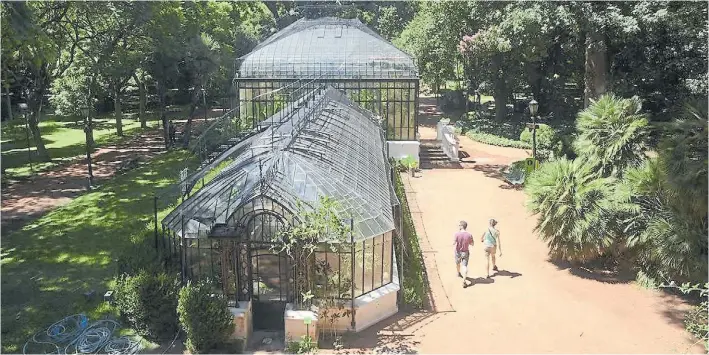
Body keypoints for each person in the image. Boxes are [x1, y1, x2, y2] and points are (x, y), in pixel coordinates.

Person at [453, 220, 474, 288]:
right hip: (465, 252)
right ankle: (464, 281)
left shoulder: (456, 234)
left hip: (458, 251)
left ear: (462, 226)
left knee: (457, 263)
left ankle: (458, 273)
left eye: (459, 225)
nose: (459, 226)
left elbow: (454, 243)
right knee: (464, 266)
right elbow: (472, 244)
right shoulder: (469, 235)